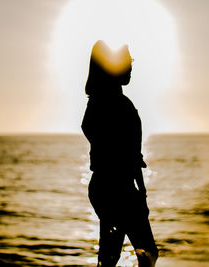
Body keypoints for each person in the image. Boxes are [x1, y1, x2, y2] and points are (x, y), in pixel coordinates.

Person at [81, 40, 158, 267]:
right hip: (115, 188)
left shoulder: (103, 103)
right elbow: (128, 156)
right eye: (128, 63)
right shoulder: (112, 104)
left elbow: (131, 156)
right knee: (143, 253)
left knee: (113, 256)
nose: (131, 68)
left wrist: (140, 192)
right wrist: (140, 193)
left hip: (111, 187)